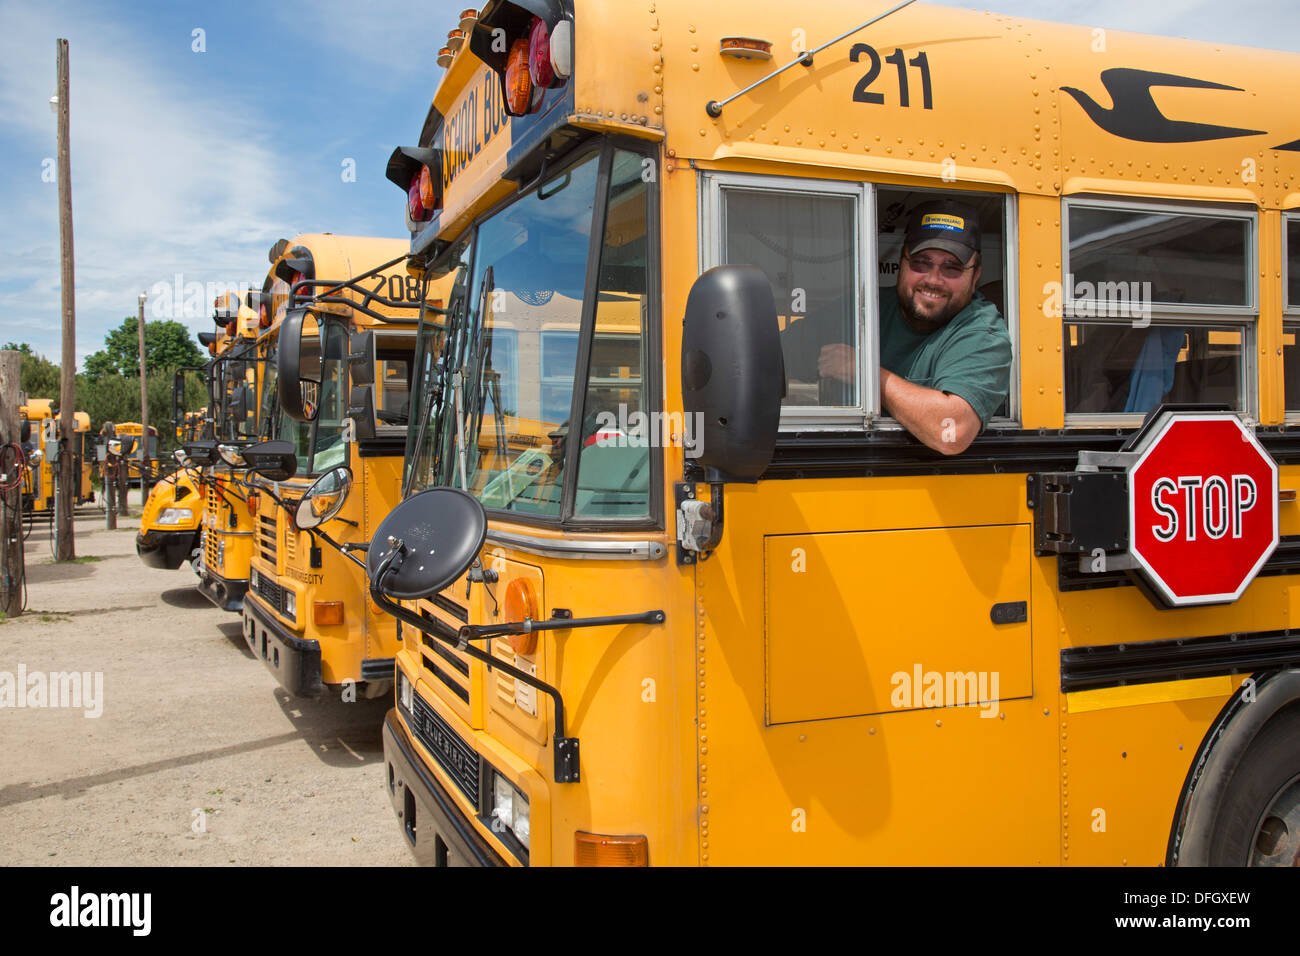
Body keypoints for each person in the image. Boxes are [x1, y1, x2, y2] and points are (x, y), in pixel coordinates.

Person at [818, 199, 1012, 454]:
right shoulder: (861, 309)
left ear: (975, 277)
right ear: (902, 263)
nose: (933, 279)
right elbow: (776, 353)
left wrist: (863, 373)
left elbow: (951, 431)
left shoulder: (983, 332)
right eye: (921, 262)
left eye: (952, 268)